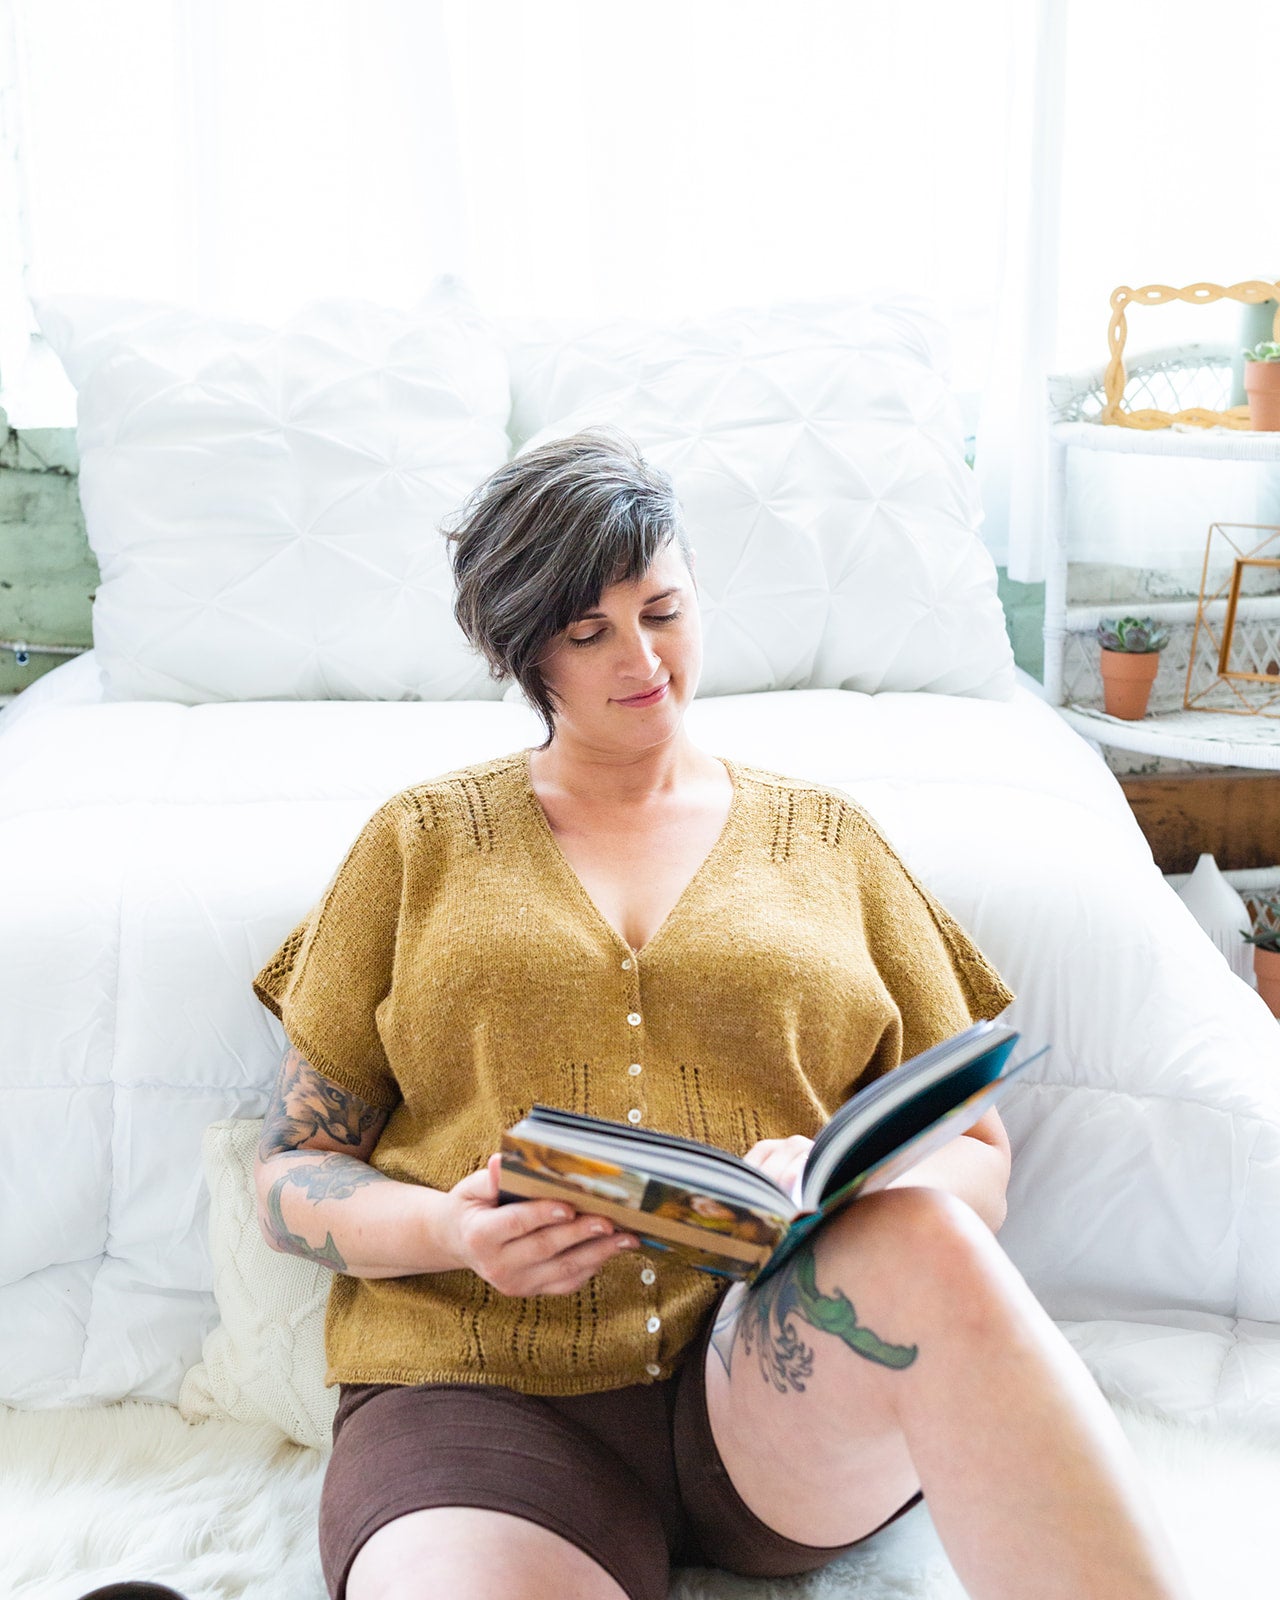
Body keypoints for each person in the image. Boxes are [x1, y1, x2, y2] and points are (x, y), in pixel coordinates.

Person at [250, 426, 1188, 1600]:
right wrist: (451, 1230)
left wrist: (839, 1199)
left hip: (771, 1380)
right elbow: (291, 1174)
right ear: (522, 649)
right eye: (587, 632)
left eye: (662, 610)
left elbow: (979, 1159)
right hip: (480, 1401)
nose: (641, 658)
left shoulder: (830, 841)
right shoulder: (417, 843)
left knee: (928, 1237)